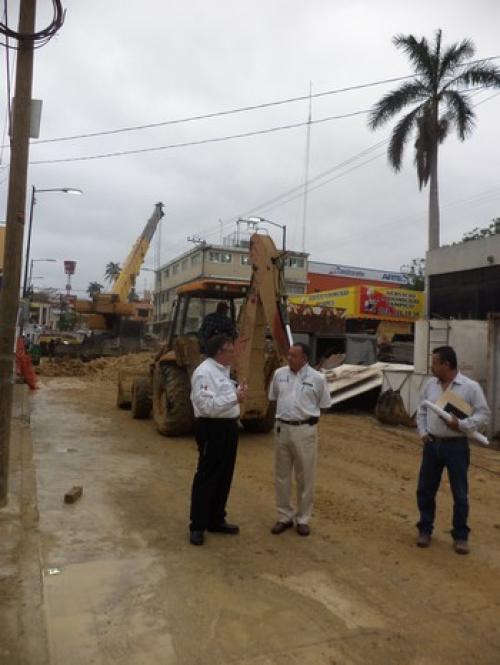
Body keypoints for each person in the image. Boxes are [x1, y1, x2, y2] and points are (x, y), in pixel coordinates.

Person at [416, 346, 490, 555]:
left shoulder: (470, 387)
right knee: (425, 489)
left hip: (456, 446)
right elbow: (422, 409)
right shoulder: (430, 385)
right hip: (432, 444)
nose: (432, 365)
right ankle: (425, 529)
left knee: (460, 493)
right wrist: (422, 433)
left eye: (435, 362)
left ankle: (460, 536)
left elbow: (483, 414)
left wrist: (463, 425)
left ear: (446, 365)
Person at [268, 342, 332, 537]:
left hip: (305, 430)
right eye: (288, 355)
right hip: (282, 429)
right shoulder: (279, 374)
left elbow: (325, 404)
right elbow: (273, 397)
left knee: (305, 477)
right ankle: (284, 516)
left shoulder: (318, 378)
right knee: (282, 475)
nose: (289, 358)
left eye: (294, 355)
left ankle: (303, 519)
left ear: (305, 358)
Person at [189, 334, 247, 546]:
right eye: (230, 350)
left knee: (224, 476)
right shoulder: (204, 373)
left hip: (228, 428)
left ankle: (216, 518)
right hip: (212, 428)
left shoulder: (223, 372)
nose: (233, 354)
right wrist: (235, 397)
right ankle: (197, 525)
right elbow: (206, 406)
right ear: (219, 352)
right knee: (207, 477)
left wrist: (237, 392)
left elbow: (223, 397)